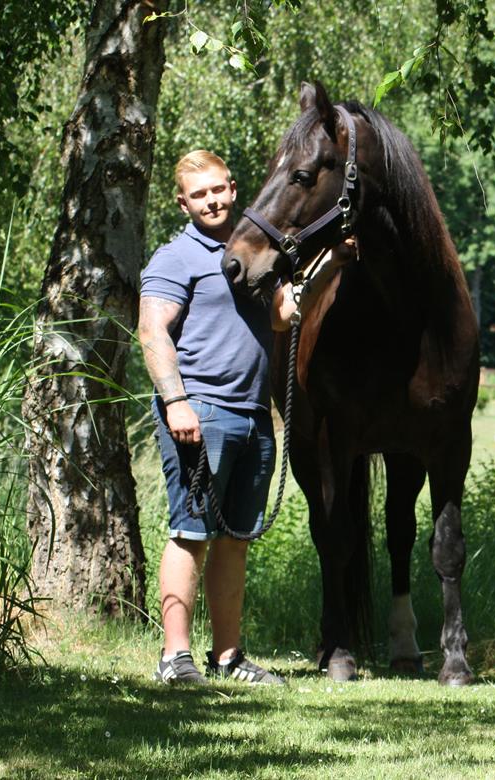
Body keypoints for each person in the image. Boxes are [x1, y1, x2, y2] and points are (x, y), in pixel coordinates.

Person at [138, 150, 343, 685]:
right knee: (190, 534)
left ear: (233, 189)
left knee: (234, 540)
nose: (211, 201)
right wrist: (176, 401)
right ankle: (174, 658)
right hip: (199, 413)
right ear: (183, 202)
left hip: (254, 416)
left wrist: (331, 263)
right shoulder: (175, 258)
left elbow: (282, 317)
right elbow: (152, 331)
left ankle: (227, 658)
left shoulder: (253, 251)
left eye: (218, 190)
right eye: (198, 194)